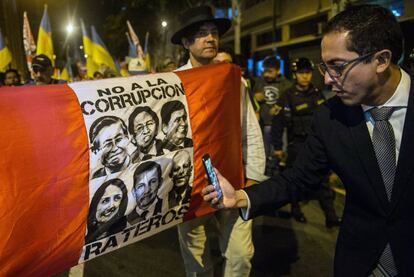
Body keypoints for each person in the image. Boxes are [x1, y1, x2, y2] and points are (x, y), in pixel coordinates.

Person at [203, 4, 413, 276]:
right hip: (361, 264)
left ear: (381, 61)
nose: (326, 79)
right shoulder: (329, 117)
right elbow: (297, 179)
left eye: (338, 67)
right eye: (323, 67)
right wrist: (240, 197)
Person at [171, 5, 266, 277]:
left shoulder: (233, 79)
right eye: (201, 34)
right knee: (197, 261)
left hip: (234, 179)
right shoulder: (173, 84)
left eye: (213, 33)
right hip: (191, 185)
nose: (210, 38)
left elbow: (249, 127)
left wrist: (255, 178)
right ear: (187, 42)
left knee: (241, 255)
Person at [272, 57, 341, 226]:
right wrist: (278, 147)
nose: (305, 77)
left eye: (308, 73)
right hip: (297, 144)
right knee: (294, 179)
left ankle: (331, 216)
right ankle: (295, 209)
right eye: (301, 73)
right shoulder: (287, 96)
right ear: (295, 75)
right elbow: (277, 123)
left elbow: (328, 119)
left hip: (317, 143)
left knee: (323, 179)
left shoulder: (317, 93)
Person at [253, 56, 292, 177]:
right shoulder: (259, 82)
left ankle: (277, 173)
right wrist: (255, 97)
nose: (266, 74)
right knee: (263, 152)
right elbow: (251, 100)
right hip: (264, 125)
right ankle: (266, 173)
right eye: (264, 71)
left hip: (280, 127)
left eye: (270, 71)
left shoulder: (286, 84)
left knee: (279, 152)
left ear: (278, 71)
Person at [85, 178, 128, 243]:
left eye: (117, 198)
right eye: (105, 200)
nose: (111, 206)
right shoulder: (82, 229)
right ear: (96, 203)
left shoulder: (121, 225)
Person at [127, 161, 164, 225]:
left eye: (153, 181)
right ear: (133, 191)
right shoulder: (126, 218)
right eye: (140, 186)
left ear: (160, 182)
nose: (147, 190)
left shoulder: (168, 203)